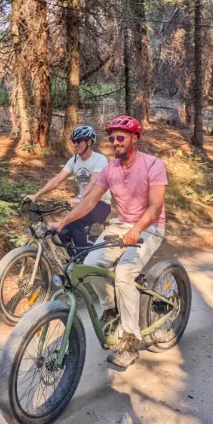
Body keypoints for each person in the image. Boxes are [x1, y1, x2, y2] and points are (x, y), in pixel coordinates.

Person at [49, 115, 167, 369]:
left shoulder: (153, 164)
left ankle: (131, 339)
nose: (115, 142)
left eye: (121, 137)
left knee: (124, 272)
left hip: (149, 227)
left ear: (135, 138)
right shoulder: (110, 169)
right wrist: (63, 222)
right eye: (112, 138)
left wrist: (137, 229)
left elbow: (156, 206)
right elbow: (89, 201)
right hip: (121, 225)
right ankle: (111, 307)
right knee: (91, 263)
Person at [24, 125, 112, 249]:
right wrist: (36, 195)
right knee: (61, 232)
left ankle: (83, 261)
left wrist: (80, 197)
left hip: (101, 204)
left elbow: (94, 182)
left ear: (89, 142)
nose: (75, 144)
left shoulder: (99, 159)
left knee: (75, 222)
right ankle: (70, 262)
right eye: (73, 142)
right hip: (85, 204)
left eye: (78, 141)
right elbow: (57, 179)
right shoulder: (74, 160)